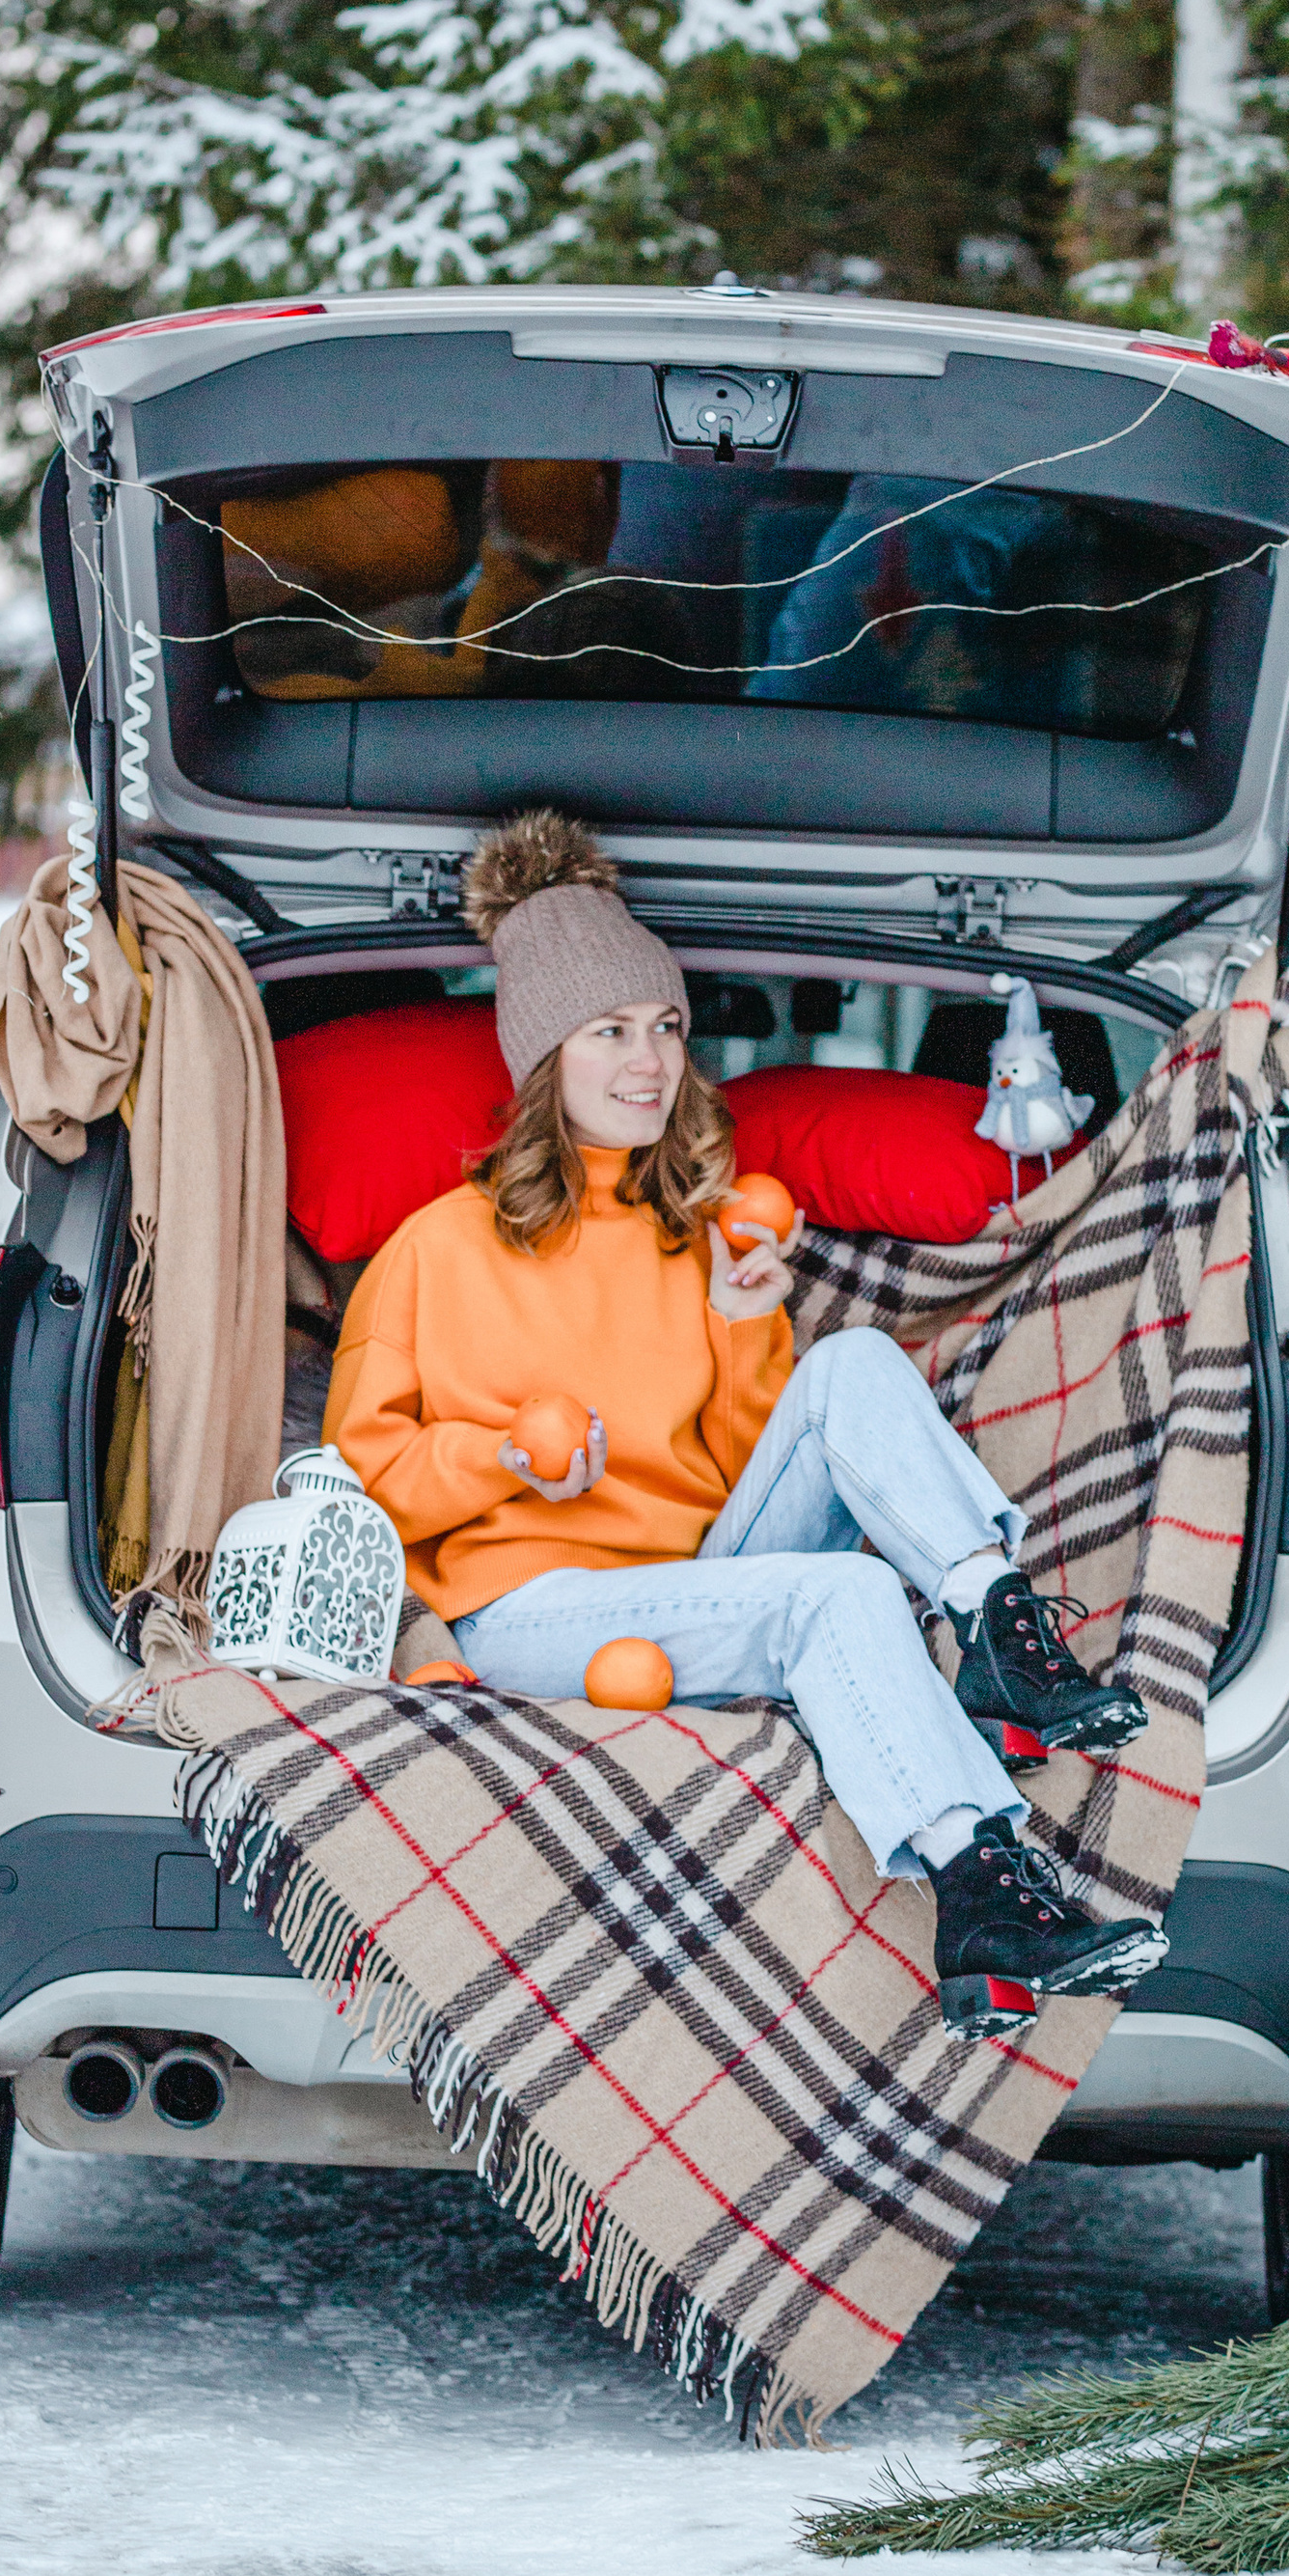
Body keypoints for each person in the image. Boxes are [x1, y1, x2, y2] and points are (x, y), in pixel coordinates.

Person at [323, 809, 1166, 2041]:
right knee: (847, 1603)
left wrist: (738, 1328)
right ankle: (979, 1881)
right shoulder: (433, 1249)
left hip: (689, 1581)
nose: (652, 1062)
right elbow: (354, 1482)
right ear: (543, 1057)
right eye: (611, 1032)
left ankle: (995, 1620)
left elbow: (734, 1472)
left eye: (666, 1027)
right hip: (524, 1614)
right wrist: (500, 1456)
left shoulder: (697, 1234)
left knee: (857, 1364)